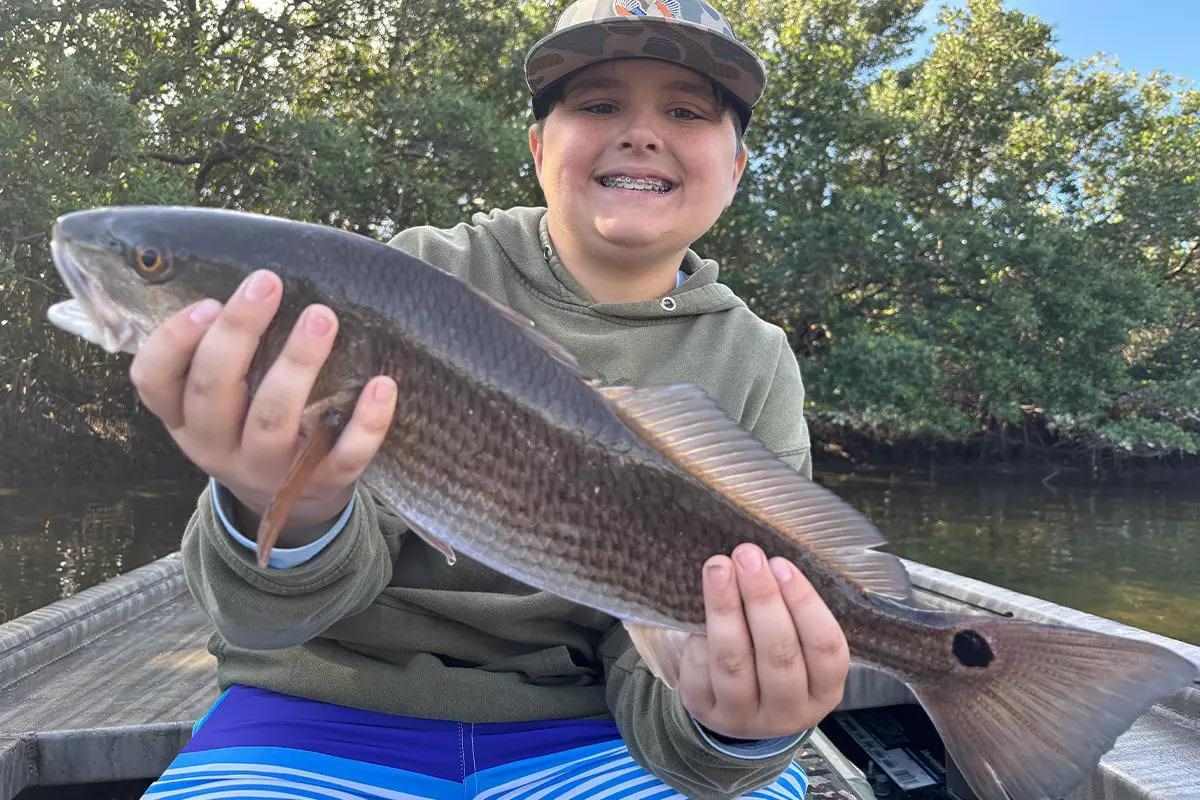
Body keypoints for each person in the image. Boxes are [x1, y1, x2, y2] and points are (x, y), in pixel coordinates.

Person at [134, 1, 850, 798]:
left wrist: (730, 724)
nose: (642, 132)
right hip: (314, 709)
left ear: (738, 168)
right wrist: (280, 502)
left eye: (686, 111)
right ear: (540, 148)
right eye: (599, 103)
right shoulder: (405, 281)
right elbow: (261, 620)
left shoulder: (755, 360)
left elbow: (657, 673)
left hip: (599, 736)